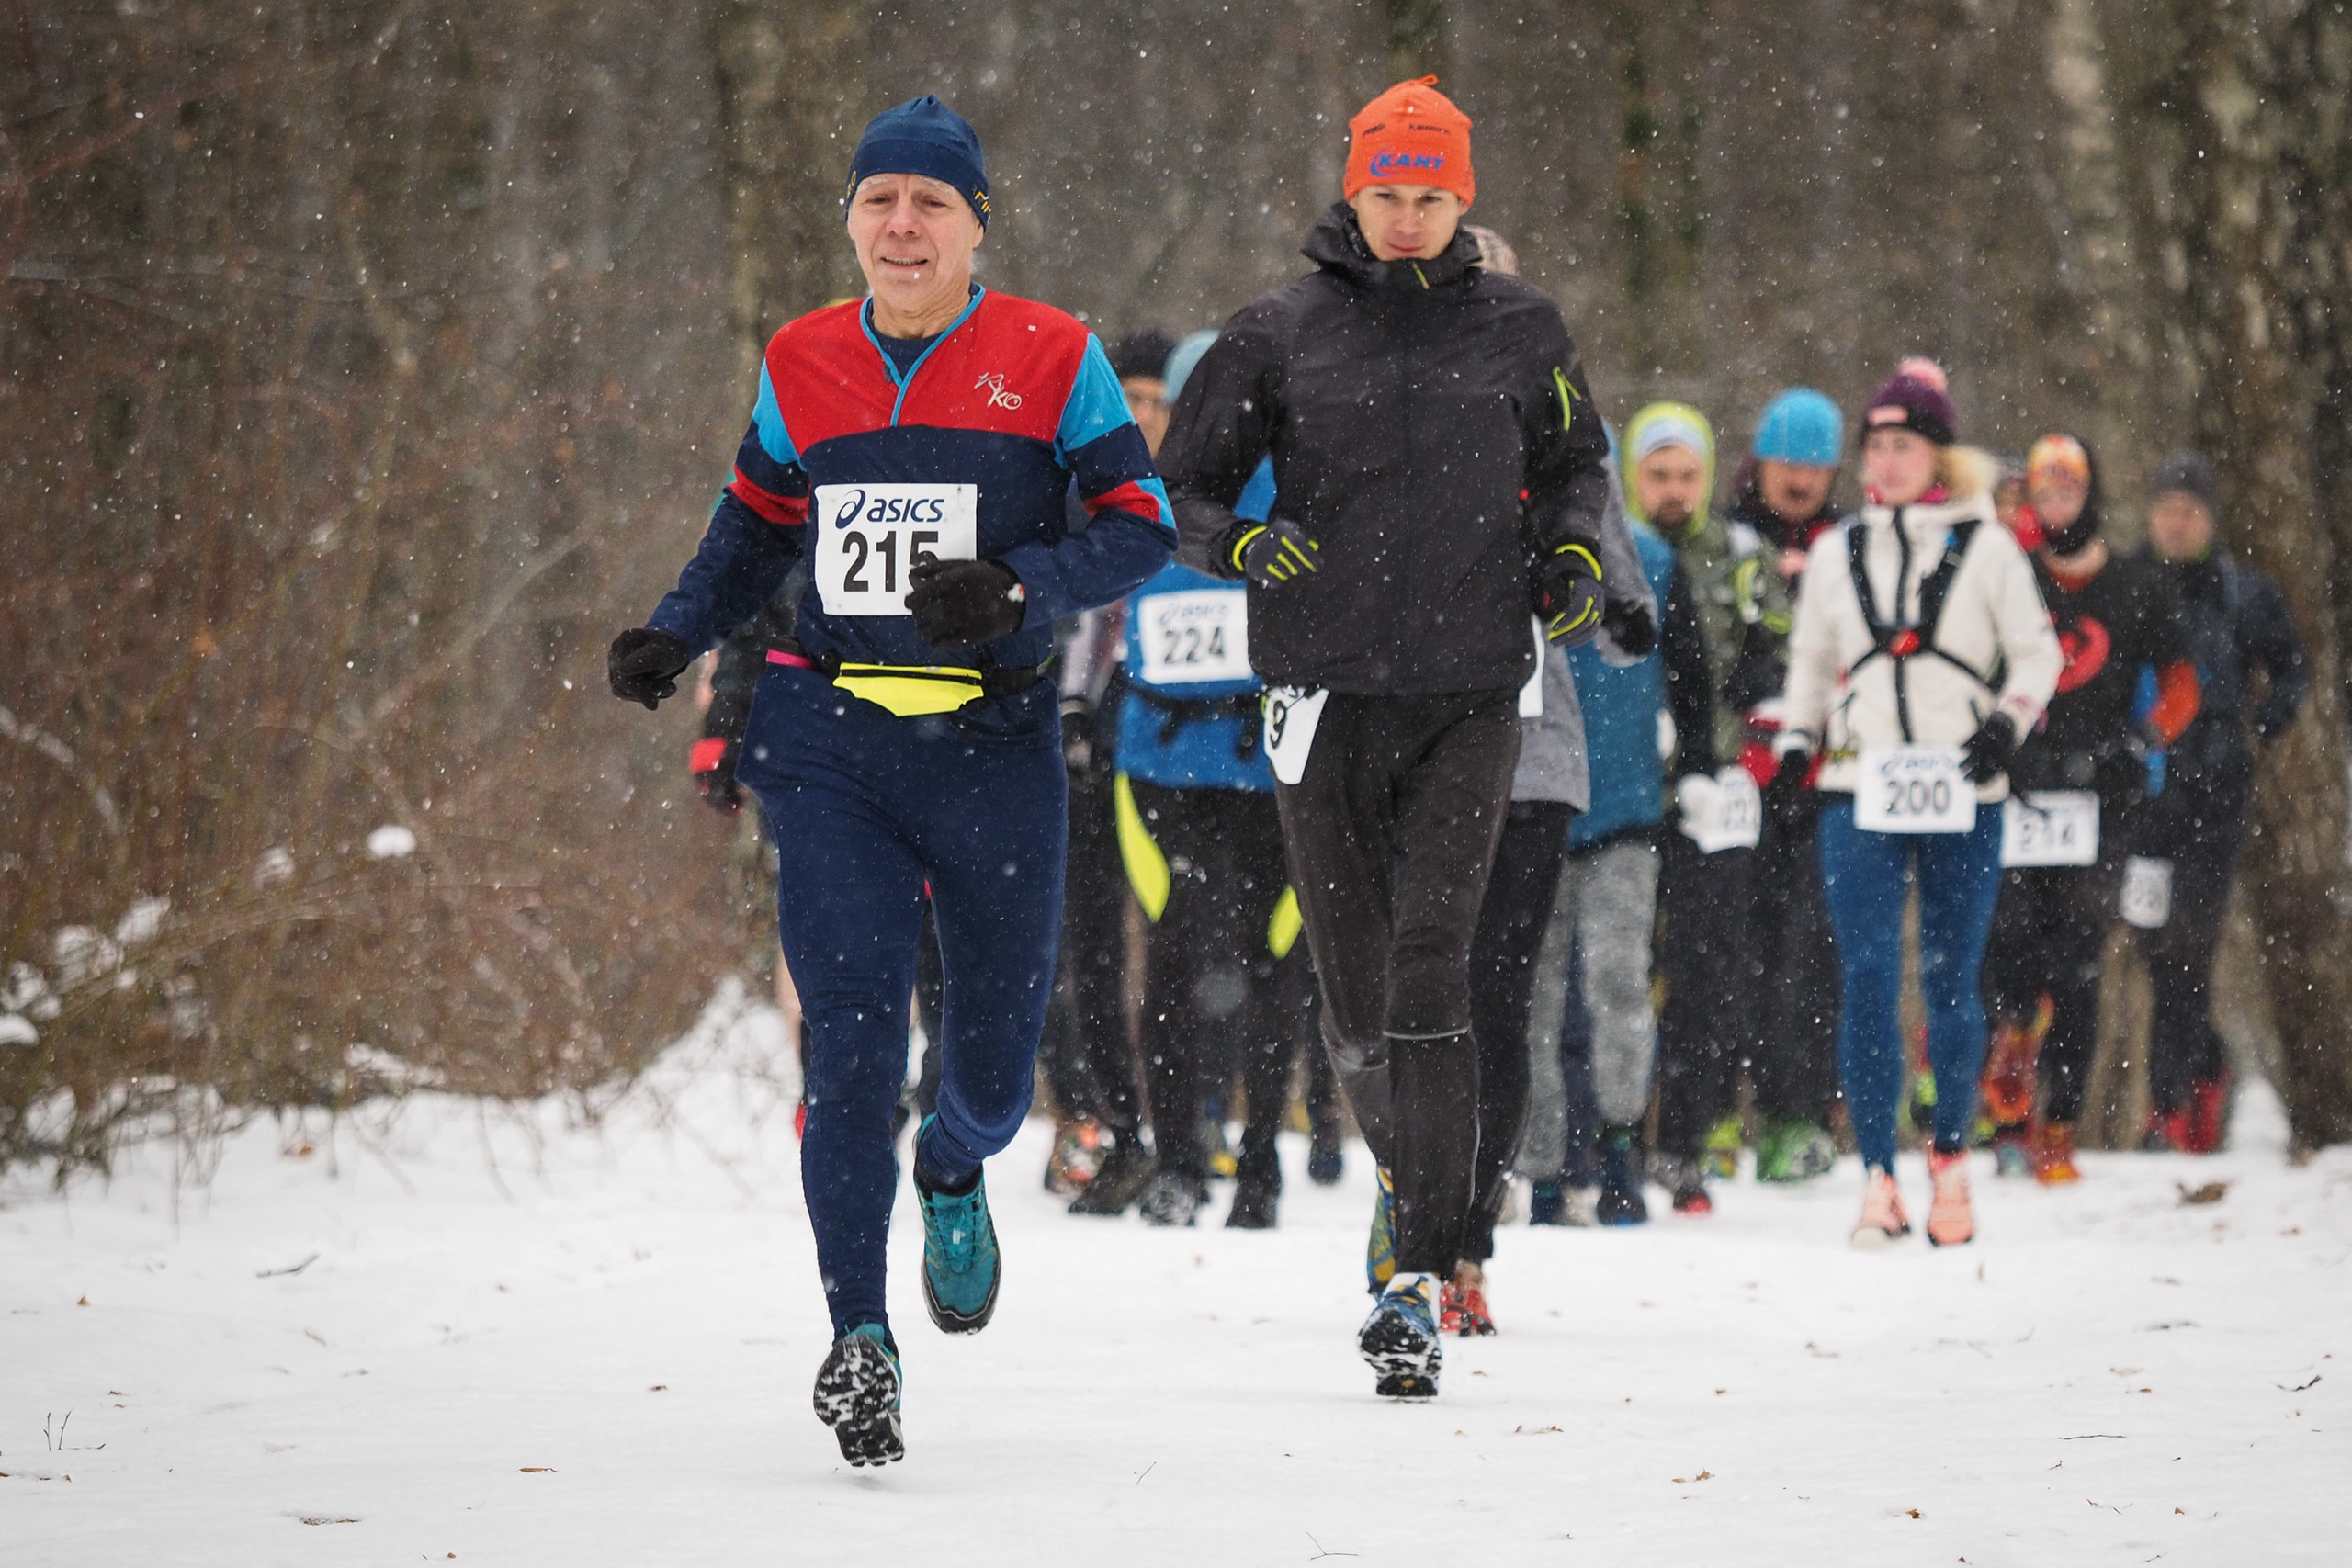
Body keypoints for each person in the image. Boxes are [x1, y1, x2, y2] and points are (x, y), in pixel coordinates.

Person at [605, 96, 1174, 1465]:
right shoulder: (802, 359)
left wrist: (1020, 585)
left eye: (932, 203)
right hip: (831, 739)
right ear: (851, 220)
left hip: (994, 742)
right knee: (850, 1041)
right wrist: (677, 627)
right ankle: (859, 1333)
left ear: (978, 225)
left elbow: (1139, 527)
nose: (903, 226)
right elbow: (754, 522)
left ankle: (956, 1160)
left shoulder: (1055, 357)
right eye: (880, 202)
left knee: (986, 1061)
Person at [1159, 77, 1645, 1400]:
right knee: (1360, 990)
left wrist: (1565, 557)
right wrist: (1242, 545)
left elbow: (1576, 465)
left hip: (1472, 690)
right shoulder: (1280, 330)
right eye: (1390, 192)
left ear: (1465, 196)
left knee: (1437, 967)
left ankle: (1422, 1270)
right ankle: (1404, 1181)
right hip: (1317, 689)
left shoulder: (1521, 326)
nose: (1412, 216)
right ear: (1353, 192)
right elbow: (1181, 486)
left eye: (1434, 194)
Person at [1772, 369, 2060, 1248]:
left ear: (1939, 454)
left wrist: (2007, 730)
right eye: (1878, 446)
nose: (1887, 462)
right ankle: (1874, 1176)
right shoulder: (1834, 550)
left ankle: (1949, 1162)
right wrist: (1795, 741)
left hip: (1962, 783)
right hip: (1860, 781)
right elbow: (1811, 662)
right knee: (1863, 976)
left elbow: (2037, 654)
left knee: (1949, 975)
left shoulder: (1989, 547)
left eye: (1906, 445)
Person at [1112, 329, 1324, 1229]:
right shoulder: (1142, 490)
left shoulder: (1308, 485)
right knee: (1171, 962)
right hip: (1161, 768)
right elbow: (1096, 608)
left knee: (1276, 965)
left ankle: (1261, 1160)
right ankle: (1177, 1161)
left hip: (1276, 764)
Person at [1978, 434, 2199, 1182]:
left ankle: (2060, 1125)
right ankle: (2007, 1108)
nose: (2057, 505)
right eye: (2044, 491)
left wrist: (2145, 741)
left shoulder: (2137, 584)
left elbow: (2181, 683)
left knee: (2077, 964)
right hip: (2021, 783)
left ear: (2092, 495)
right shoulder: (2011, 577)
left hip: (2102, 793)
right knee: (2007, 948)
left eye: (2069, 490)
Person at [1515, 468, 1700, 1229]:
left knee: (1619, 981)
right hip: (1536, 799)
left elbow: (1691, 675)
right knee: (1534, 991)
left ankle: (1622, 1145)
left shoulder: (1654, 562)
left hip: (1623, 809)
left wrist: (1696, 764)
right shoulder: (1512, 552)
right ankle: (1545, 1165)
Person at [1629, 401, 1789, 1215]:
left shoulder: (1742, 554)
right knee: (1622, 971)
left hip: (1718, 792)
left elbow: (1779, 662)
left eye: (1687, 474)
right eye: (1658, 474)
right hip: (1627, 793)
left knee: (1707, 974)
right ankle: (1612, 1138)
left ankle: (1686, 1143)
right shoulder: (1610, 552)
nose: (1673, 490)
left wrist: (1750, 762)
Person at [1045, 330, 1181, 1213]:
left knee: (1180, 953)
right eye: (1125, 398)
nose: (1140, 415)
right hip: (1095, 749)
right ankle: (1105, 1118)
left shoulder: (1206, 492)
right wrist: (1071, 709)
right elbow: (1074, 617)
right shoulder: (1084, 495)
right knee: (1080, 948)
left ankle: (1181, 1128)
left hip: (1185, 753)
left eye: (1155, 399)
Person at [2135, 454, 2306, 1152]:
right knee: (2149, 942)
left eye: (2191, 512)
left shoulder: (2241, 592)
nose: (2177, 523)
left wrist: (2268, 720)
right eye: (2168, 509)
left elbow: (2292, 663)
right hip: (2141, 793)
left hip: (2215, 791)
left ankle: (2168, 1106)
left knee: (2189, 943)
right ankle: (2206, 1062)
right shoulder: (2127, 583)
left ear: (2210, 521)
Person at [1723, 388, 1847, 1183]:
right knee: (1736, 953)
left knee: (1815, 955)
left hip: (1827, 774)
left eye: (1814, 466)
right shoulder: (1727, 538)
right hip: (1739, 774)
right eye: (1786, 464)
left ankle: (1801, 1115)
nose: (1799, 480)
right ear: (1759, 462)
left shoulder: (1849, 545)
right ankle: (1715, 1117)